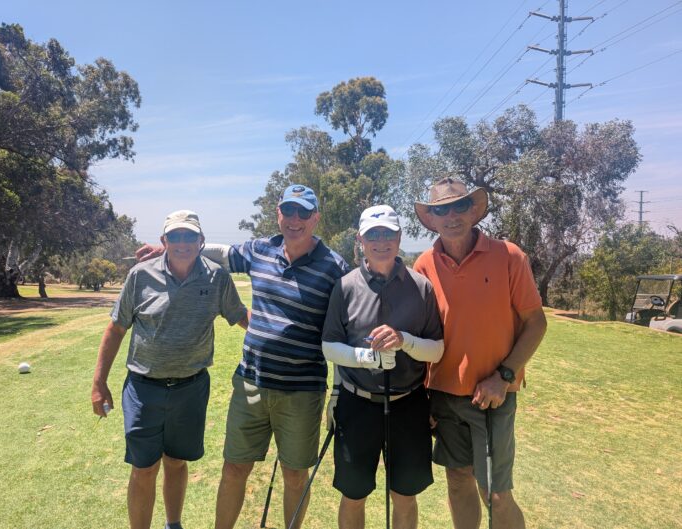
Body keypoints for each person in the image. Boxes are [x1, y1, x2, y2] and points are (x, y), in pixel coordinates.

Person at [136, 184, 349, 529]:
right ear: (278, 213)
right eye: (288, 210)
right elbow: (222, 253)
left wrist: (338, 392)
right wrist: (172, 250)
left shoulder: (334, 267)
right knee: (234, 467)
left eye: (304, 212)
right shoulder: (260, 250)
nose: (295, 219)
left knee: (295, 476)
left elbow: (342, 331)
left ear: (316, 218)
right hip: (251, 384)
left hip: (302, 392)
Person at [91, 210, 248, 529]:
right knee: (144, 467)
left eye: (190, 236)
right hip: (143, 388)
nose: (182, 243)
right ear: (164, 240)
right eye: (175, 236)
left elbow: (241, 316)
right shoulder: (140, 275)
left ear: (201, 241)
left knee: (176, 462)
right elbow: (116, 329)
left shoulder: (217, 278)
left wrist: (282, 334)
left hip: (191, 388)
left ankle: (173, 524)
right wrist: (99, 382)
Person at [412, 177, 547, 529]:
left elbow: (536, 322)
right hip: (443, 397)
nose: (451, 216)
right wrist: (422, 397)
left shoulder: (508, 256)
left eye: (459, 206)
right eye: (442, 209)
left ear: (473, 210)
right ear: (432, 218)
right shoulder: (423, 265)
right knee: (458, 481)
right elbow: (421, 336)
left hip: (494, 396)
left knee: (496, 495)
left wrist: (504, 376)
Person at [321, 205, 444, 529]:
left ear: (399, 237)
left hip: (408, 405)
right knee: (353, 494)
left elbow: (437, 351)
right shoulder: (345, 287)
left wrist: (405, 340)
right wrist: (368, 358)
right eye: (373, 235)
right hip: (357, 404)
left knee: (404, 495)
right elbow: (329, 346)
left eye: (388, 233)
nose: (381, 241)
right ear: (360, 240)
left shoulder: (421, 287)